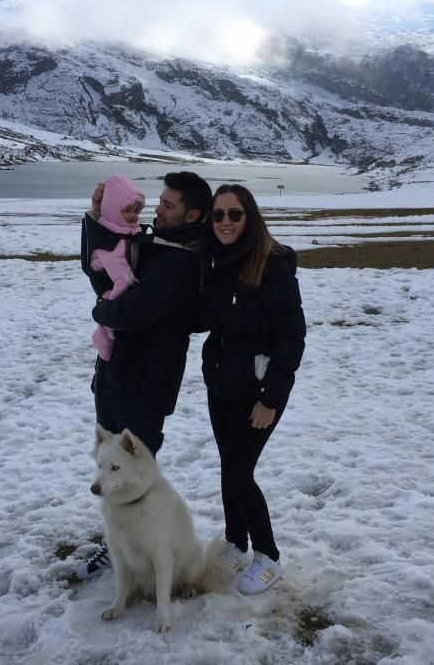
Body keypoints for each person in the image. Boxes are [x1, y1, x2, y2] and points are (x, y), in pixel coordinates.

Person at [76, 170, 213, 579]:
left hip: (142, 387)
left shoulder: (181, 261)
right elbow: (103, 269)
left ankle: (146, 554)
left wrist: (100, 312)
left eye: (168, 205)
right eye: (160, 200)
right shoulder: (160, 242)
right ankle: (122, 547)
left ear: (193, 214)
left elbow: (129, 312)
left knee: (136, 479)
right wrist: (98, 215)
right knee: (113, 469)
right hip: (121, 376)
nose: (158, 209)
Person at [197, 184, 305, 595]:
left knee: (240, 472)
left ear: (250, 217)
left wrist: (270, 399)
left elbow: (291, 337)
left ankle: (268, 556)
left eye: (234, 214)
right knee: (229, 466)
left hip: (259, 389)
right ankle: (234, 542)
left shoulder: (272, 265)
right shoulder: (215, 260)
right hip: (222, 382)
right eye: (218, 214)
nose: (225, 222)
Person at [86, 175, 146, 361]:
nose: (133, 216)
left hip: (114, 286)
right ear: (112, 209)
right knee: (112, 331)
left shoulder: (118, 230)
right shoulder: (110, 240)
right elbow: (120, 275)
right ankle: (105, 335)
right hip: (112, 292)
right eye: (127, 210)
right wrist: (132, 284)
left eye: (137, 211)